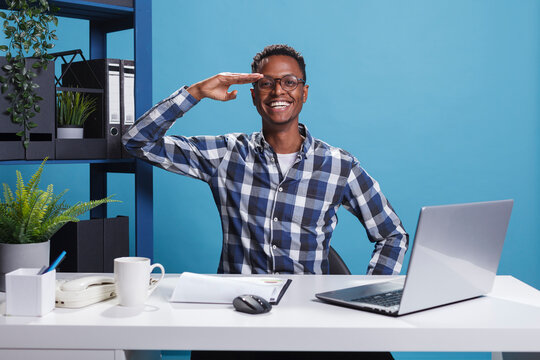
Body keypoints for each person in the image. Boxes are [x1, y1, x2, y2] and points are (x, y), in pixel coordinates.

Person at [123, 44, 408, 360]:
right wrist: (198, 91)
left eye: (289, 82)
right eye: (266, 83)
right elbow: (137, 141)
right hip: (238, 318)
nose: (278, 91)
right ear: (253, 93)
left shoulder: (339, 165)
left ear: (304, 92)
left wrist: (368, 299)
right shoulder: (227, 154)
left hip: (311, 321)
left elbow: (392, 234)